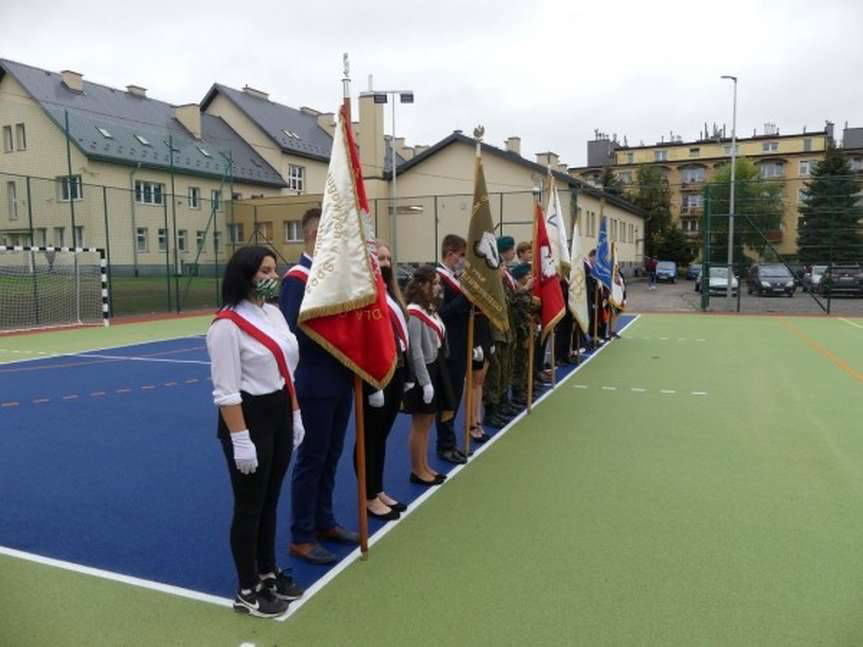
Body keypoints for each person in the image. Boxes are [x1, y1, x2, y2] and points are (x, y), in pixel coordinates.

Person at [206, 245, 305, 618]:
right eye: (264, 271)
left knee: (270, 501)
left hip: (279, 409)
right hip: (247, 419)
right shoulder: (226, 326)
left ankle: (266, 571)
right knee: (249, 506)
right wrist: (241, 440)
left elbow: (286, 372)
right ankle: (247, 589)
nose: (272, 276)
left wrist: (294, 415)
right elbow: (226, 391)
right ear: (246, 275)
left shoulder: (275, 314)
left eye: (273, 269)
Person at [280, 208, 358, 566]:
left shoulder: (334, 278)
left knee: (332, 455)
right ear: (314, 236)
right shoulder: (298, 279)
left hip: (341, 378)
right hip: (315, 379)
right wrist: (341, 340)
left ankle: (325, 522)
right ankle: (302, 534)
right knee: (312, 459)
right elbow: (295, 331)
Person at [354, 241, 409, 521]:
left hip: (395, 371)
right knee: (369, 438)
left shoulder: (389, 294)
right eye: (380, 259)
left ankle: (377, 488)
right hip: (374, 376)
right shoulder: (365, 296)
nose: (385, 264)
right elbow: (364, 342)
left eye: (388, 259)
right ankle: (367, 495)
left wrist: (406, 374)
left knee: (382, 437)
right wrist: (373, 384)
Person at [403, 265, 456, 485]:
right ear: (422, 285)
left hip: (435, 367)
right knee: (420, 423)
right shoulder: (414, 312)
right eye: (433, 283)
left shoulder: (429, 309)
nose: (437, 287)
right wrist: (425, 383)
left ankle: (424, 465)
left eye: (437, 283)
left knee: (427, 423)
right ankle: (417, 470)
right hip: (423, 373)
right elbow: (415, 350)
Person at [435, 235, 470, 464]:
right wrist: (465, 298)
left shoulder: (455, 278)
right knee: (448, 396)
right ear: (450, 252)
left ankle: (451, 441)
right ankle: (444, 445)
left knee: (456, 395)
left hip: (460, 343)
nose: (463, 260)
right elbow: (441, 313)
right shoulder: (439, 278)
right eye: (462, 255)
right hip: (448, 347)